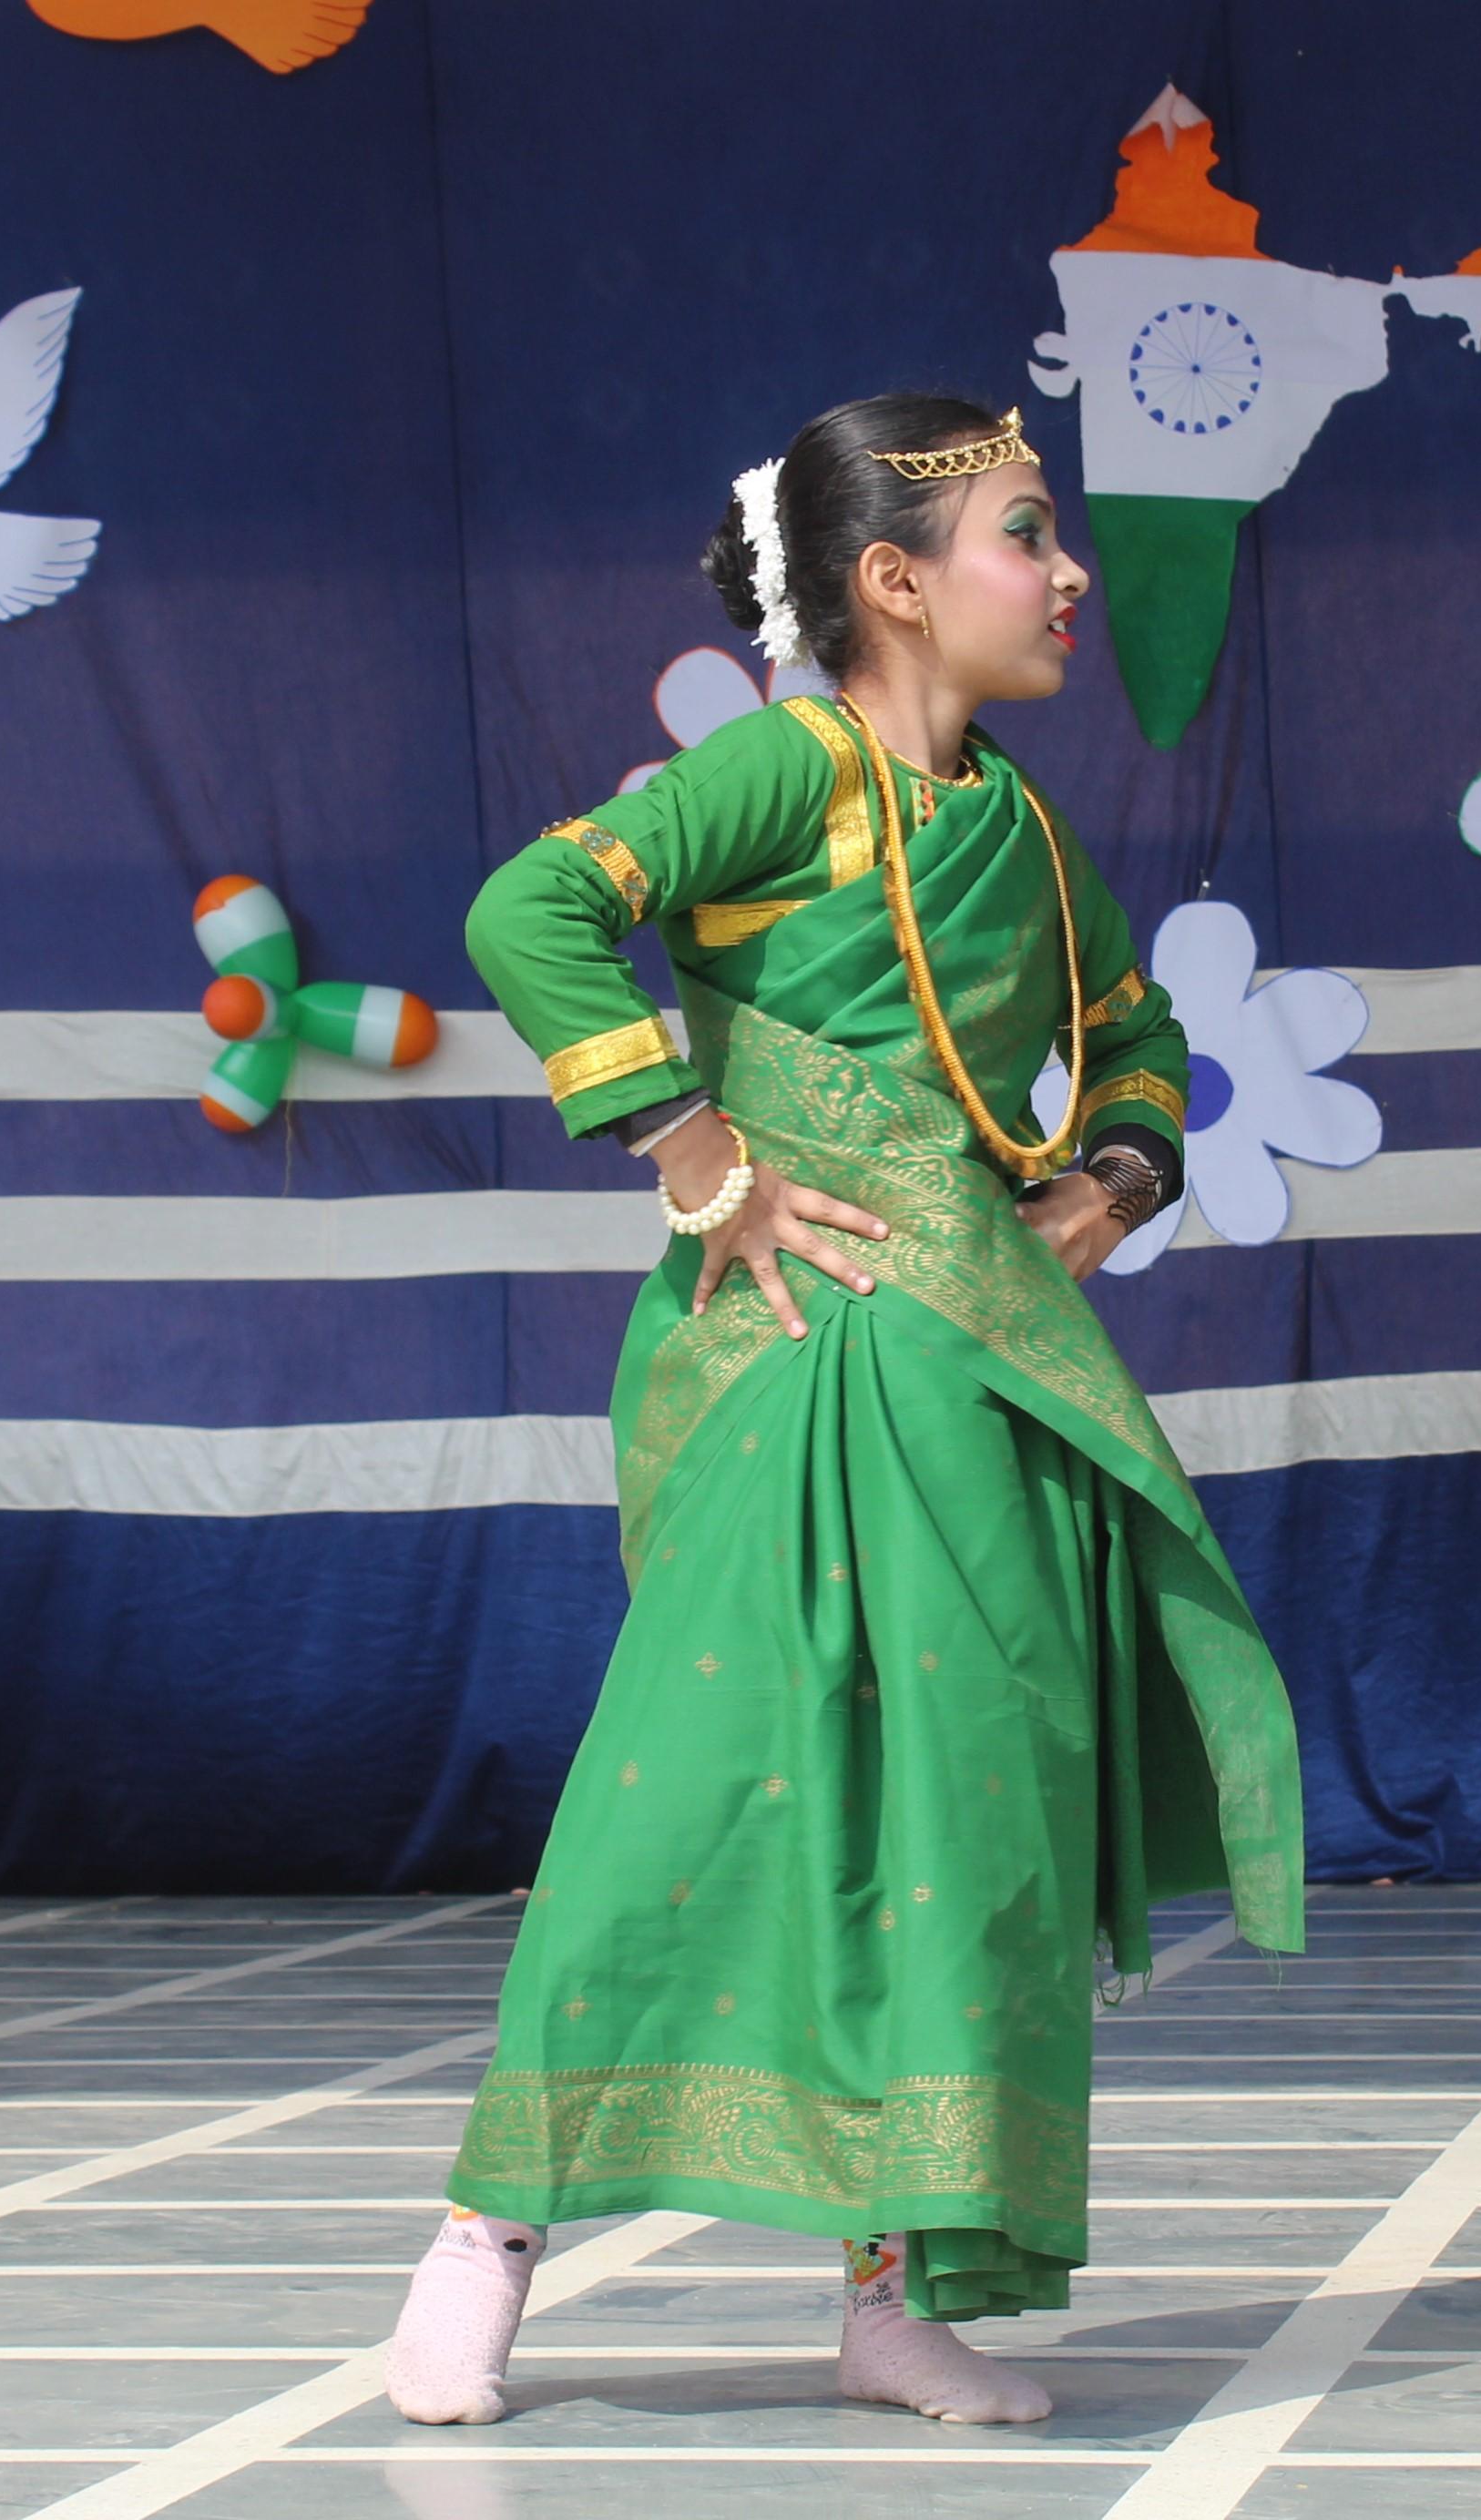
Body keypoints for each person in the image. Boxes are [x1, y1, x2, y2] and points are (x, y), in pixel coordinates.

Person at [383, 396, 1305, 2426]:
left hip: (976, 1380)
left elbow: (1136, 1031)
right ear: (893, 580)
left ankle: (891, 2291)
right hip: (789, 1361)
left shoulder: (1023, 828)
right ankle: (489, 2234)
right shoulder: (781, 767)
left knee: (961, 1820)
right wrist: (696, 1150)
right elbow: (529, 912)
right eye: (1024, 532)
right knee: (688, 1796)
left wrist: (1109, 1184)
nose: (1068, 572)